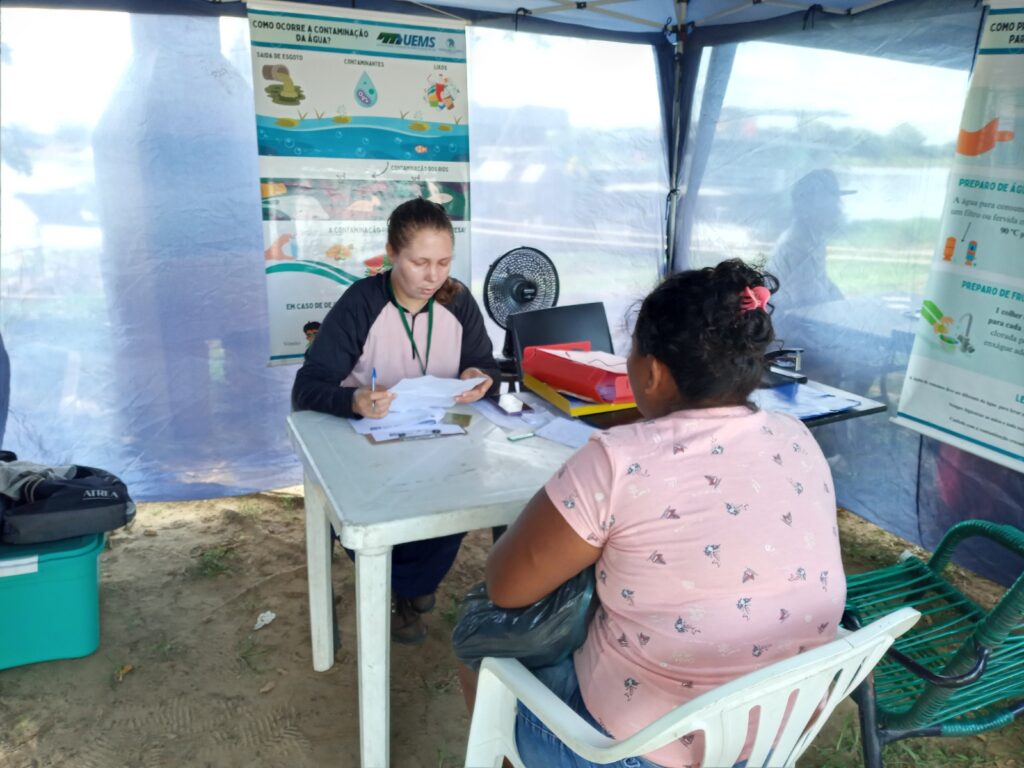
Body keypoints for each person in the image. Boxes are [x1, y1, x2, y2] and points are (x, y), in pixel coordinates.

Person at [462, 260, 846, 768]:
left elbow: (506, 587)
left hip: (635, 749)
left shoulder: (617, 459)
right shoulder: (796, 436)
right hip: (773, 733)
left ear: (653, 371)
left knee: (479, 646)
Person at [292, 197, 498, 644]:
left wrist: (479, 376)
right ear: (391, 254)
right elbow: (307, 386)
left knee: (453, 504)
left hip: (439, 439)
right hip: (366, 442)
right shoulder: (362, 304)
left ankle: (412, 589)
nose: (433, 277)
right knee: (362, 517)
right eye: (419, 262)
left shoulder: (457, 300)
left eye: (443, 262)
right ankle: (402, 588)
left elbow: (487, 364)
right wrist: (356, 400)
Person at [768, 169, 854, 311]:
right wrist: (838, 310)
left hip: (804, 313)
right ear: (811, 208)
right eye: (829, 204)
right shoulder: (796, 244)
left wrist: (844, 305)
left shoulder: (813, 237)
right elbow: (806, 299)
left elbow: (822, 280)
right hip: (788, 320)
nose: (837, 209)